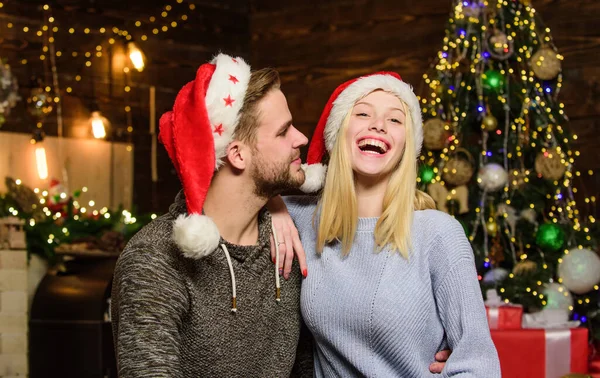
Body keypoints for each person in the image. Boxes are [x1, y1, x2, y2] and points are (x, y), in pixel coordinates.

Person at [270, 71, 501, 376]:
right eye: (363, 113)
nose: (378, 124)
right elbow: (230, 194)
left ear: (407, 145)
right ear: (338, 132)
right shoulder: (300, 219)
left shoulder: (437, 234)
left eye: (395, 120)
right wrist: (272, 205)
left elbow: (479, 365)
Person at [111, 53, 312, 377]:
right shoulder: (155, 260)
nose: (301, 138)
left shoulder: (287, 239)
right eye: (283, 131)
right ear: (237, 154)